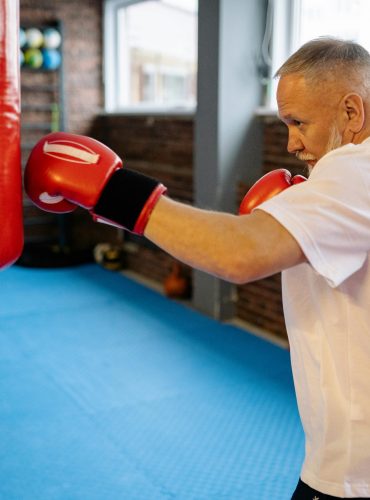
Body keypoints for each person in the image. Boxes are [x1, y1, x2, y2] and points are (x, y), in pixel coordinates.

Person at [24, 37, 370, 499]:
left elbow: (239, 253)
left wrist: (112, 193)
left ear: (351, 111)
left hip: (352, 476)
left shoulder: (354, 172)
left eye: (298, 122)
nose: (290, 142)